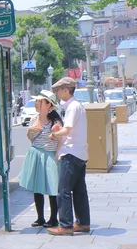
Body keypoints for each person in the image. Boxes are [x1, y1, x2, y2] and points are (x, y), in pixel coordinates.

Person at [48, 76, 90, 235]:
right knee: (79, 190)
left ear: (66, 90)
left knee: (64, 190)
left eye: (58, 90)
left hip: (71, 153)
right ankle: (83, 222)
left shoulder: (72, 107)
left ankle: (65, 225)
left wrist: (55, 134)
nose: (57, 93)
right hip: (80, 153)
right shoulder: (77, 105)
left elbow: (68, 130)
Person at [18, 90, 63, 228]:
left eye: (40, 101)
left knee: (51, 187)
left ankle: (53, 218)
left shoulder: (55, 122)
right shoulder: (34, 119)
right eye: (37, 101)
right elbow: (31, 138)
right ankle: (40, 218)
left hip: (49, 155)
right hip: (36, 154)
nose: (37, 104)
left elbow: (61, 139)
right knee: (37, 188)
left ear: (49, 105)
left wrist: (57, 154)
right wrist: (30, 130)